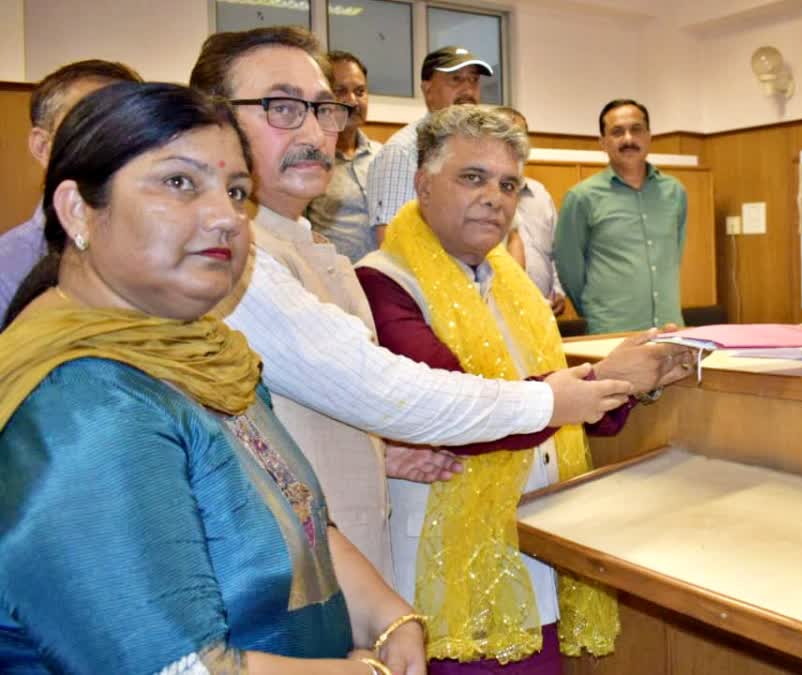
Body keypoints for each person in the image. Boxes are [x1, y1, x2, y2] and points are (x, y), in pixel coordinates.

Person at [0, 82, 424, 675]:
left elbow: (296, 511)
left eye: (237, 191)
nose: (227, 216)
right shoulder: (85, 401)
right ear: (76, 210)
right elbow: (174, 668)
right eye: (179, 182)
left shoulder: (209, 355)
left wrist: (386, 613)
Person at [189, 27, 631, 583]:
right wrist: (546, 402)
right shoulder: (229, 256)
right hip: (283, 575)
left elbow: (310, 413)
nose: (313, 131)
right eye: (281, 107)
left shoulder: (309, 246)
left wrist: (380, 454)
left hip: (349, 557)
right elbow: (376, 387)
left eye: (323, 109)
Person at [355, 105, 691, 673]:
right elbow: (457, 414)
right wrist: (605, 378)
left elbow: (573, 414)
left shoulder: (515, 286)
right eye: (472, 177)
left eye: (509, 184)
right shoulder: (383, 282)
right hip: (449, 576)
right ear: (422, 185)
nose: (495, 196)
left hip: (536, 548)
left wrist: (642, 375)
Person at [0, 59, 141, 320]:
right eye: (89, 126)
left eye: (126, 128)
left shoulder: (164, 251)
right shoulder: (8, 269)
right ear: (43, 147)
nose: (113, 143)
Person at [554, 99, 688, 334]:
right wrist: (598, 312)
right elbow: (570, 269)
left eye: (636, 129)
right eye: (617, 132)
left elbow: (674, 253)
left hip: (671, 329)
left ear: (648, 136)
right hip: (612, 332)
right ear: (602, 142)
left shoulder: (674, 192)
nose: (628, 139)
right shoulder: (582, 197)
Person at [366, 46, 491, 246]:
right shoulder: (403, 152)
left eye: (474, 80)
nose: (468, 90)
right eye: (456, 79)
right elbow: (392, 241)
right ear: (427, 90)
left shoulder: (479, 149)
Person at [306, 50, 383, 262]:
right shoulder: (308, 161)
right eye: (340, 91)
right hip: (334, 283)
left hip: (386, 282)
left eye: (360, 91)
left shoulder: (382, 155)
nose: (352, 101)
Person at [494, 106, 567, 315]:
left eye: (521, 135)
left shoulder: (541, 194)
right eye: (506, 133)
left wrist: (559, 291)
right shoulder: (480, 196)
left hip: (543, 313)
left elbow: (556, 252)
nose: (516, 142)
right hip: (496, 315)